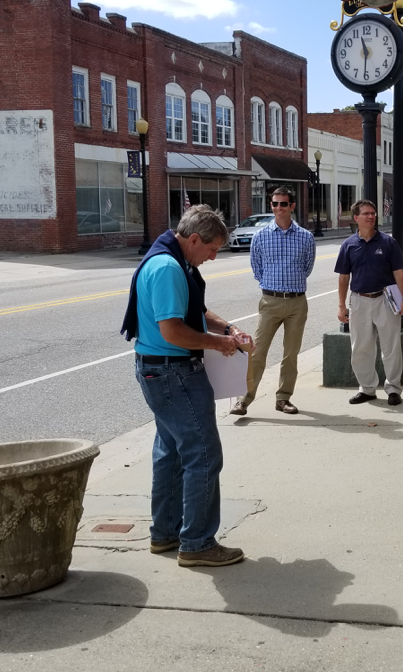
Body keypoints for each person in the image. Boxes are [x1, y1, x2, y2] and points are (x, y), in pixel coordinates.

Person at [121, 204, 254, 567]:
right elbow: (174, 330)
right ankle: (197, 543)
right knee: (204, 454)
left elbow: (194, 313)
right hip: (173, 372)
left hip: (158, 371)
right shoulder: (168, 268)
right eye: (211, 250)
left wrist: (227, 328)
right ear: (194, 238)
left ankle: (165, 533)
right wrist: (220, 344)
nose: (213, 257)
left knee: (171, 452)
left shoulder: (173, 260)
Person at [230, 187, 315, 416]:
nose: (279, 208)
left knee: (291, 354)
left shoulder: (306, 237)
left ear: (292, 207)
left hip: (297, 302)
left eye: (283, 204)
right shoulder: (260, 236)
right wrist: (272, 286)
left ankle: (283, 398)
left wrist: (290, 284)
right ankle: (244, 400)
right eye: (275, 204)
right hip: (270, 301)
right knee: (257, 352)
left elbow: (307, 267)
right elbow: (256, 268)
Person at [335, 199, 403, 406]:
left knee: (391, 347)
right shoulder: (348, 245)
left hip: (385, 300)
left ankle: (393, 389)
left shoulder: (388, 243)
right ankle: (367, 389)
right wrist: (342, 305)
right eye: (366, 213)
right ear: (356, 218)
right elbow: (343, 277)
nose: (371, 216)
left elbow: (399, 273)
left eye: (373, 213)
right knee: (360, 347)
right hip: (359, 301)